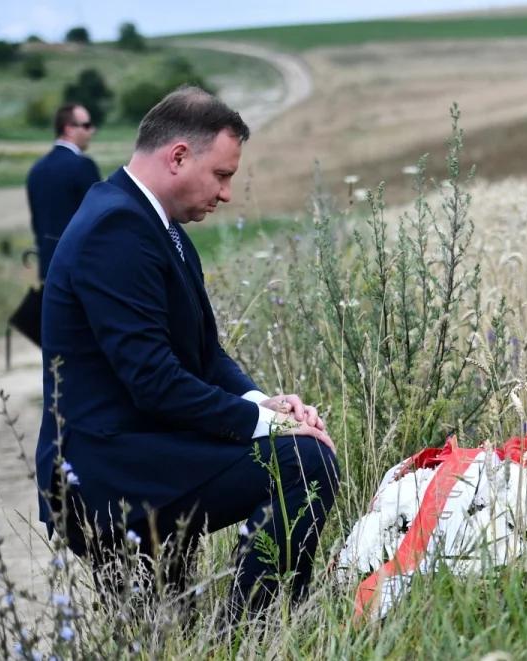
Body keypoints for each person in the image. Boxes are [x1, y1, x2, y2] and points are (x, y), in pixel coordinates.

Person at [34, 86, 339, 620]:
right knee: (308, 462)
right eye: (222, 175)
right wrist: (271, 430)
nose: (226, 194)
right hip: (108, 474)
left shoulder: (156, 224)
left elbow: (204, 354)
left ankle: (231, 636)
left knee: (163, 631)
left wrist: (266, 405)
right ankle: (249, 636)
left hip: (145, 456)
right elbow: (154, 381)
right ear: (178, 156)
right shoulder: (116, 228)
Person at [26, 103, 102, 282]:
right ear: (68, 129)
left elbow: (38, 223)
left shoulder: (36, 169)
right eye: (86, 125)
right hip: (81, 269)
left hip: (48, 268)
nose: (92, 130)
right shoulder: (83, 166)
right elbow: (98, 218)